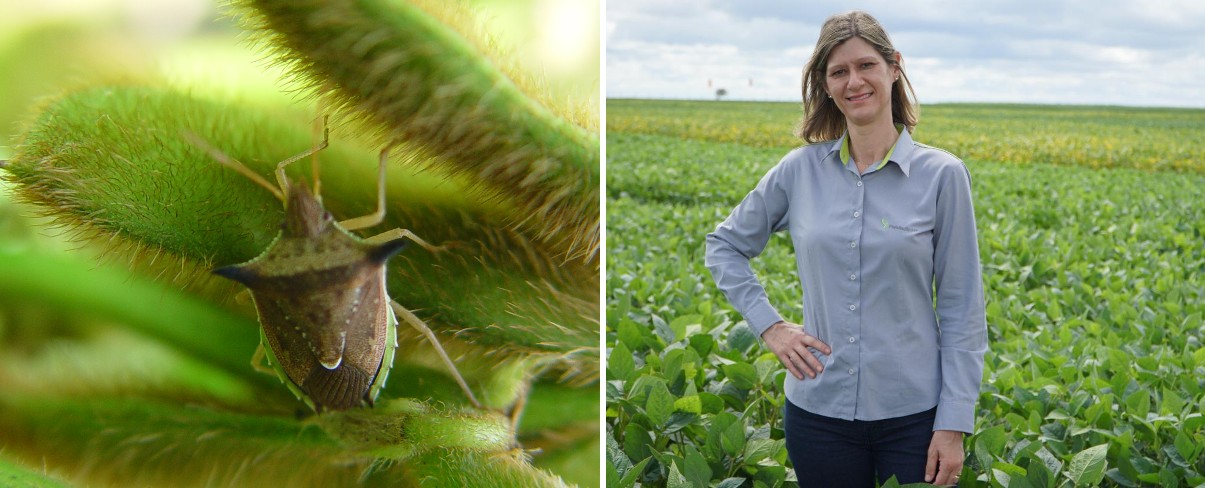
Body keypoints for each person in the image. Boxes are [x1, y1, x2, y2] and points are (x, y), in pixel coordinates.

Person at [704, 10, 987, 487]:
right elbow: (724, 245)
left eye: (866, 66)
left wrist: (954, 421)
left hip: (916, 418)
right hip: (818, 416)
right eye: (838, 72)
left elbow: (962, 307)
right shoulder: (798, 172)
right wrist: (770, 327)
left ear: (894, 67)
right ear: (826, 84)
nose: (854, 81)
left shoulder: (943, 176)